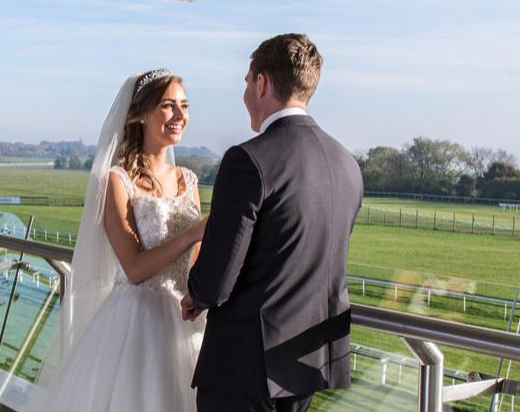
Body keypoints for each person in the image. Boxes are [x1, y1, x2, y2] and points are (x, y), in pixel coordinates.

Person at [182, 33, 363, 412]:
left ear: (261, 83)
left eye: (247, 82)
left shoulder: (247, 160)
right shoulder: (347, 163)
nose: (246, 92)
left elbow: (216, 281)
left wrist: (195, 295)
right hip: (307, 362)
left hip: (244, 369)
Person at [38, 69, 207, 411]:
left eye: (184, 106)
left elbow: (195, 266)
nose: (180, 116)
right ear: (142, 113)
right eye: (168, 105)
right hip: (133, 326)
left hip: (184, 324)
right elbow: (133, 268)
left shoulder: (188, 180)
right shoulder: (116, 180)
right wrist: (193, 231)